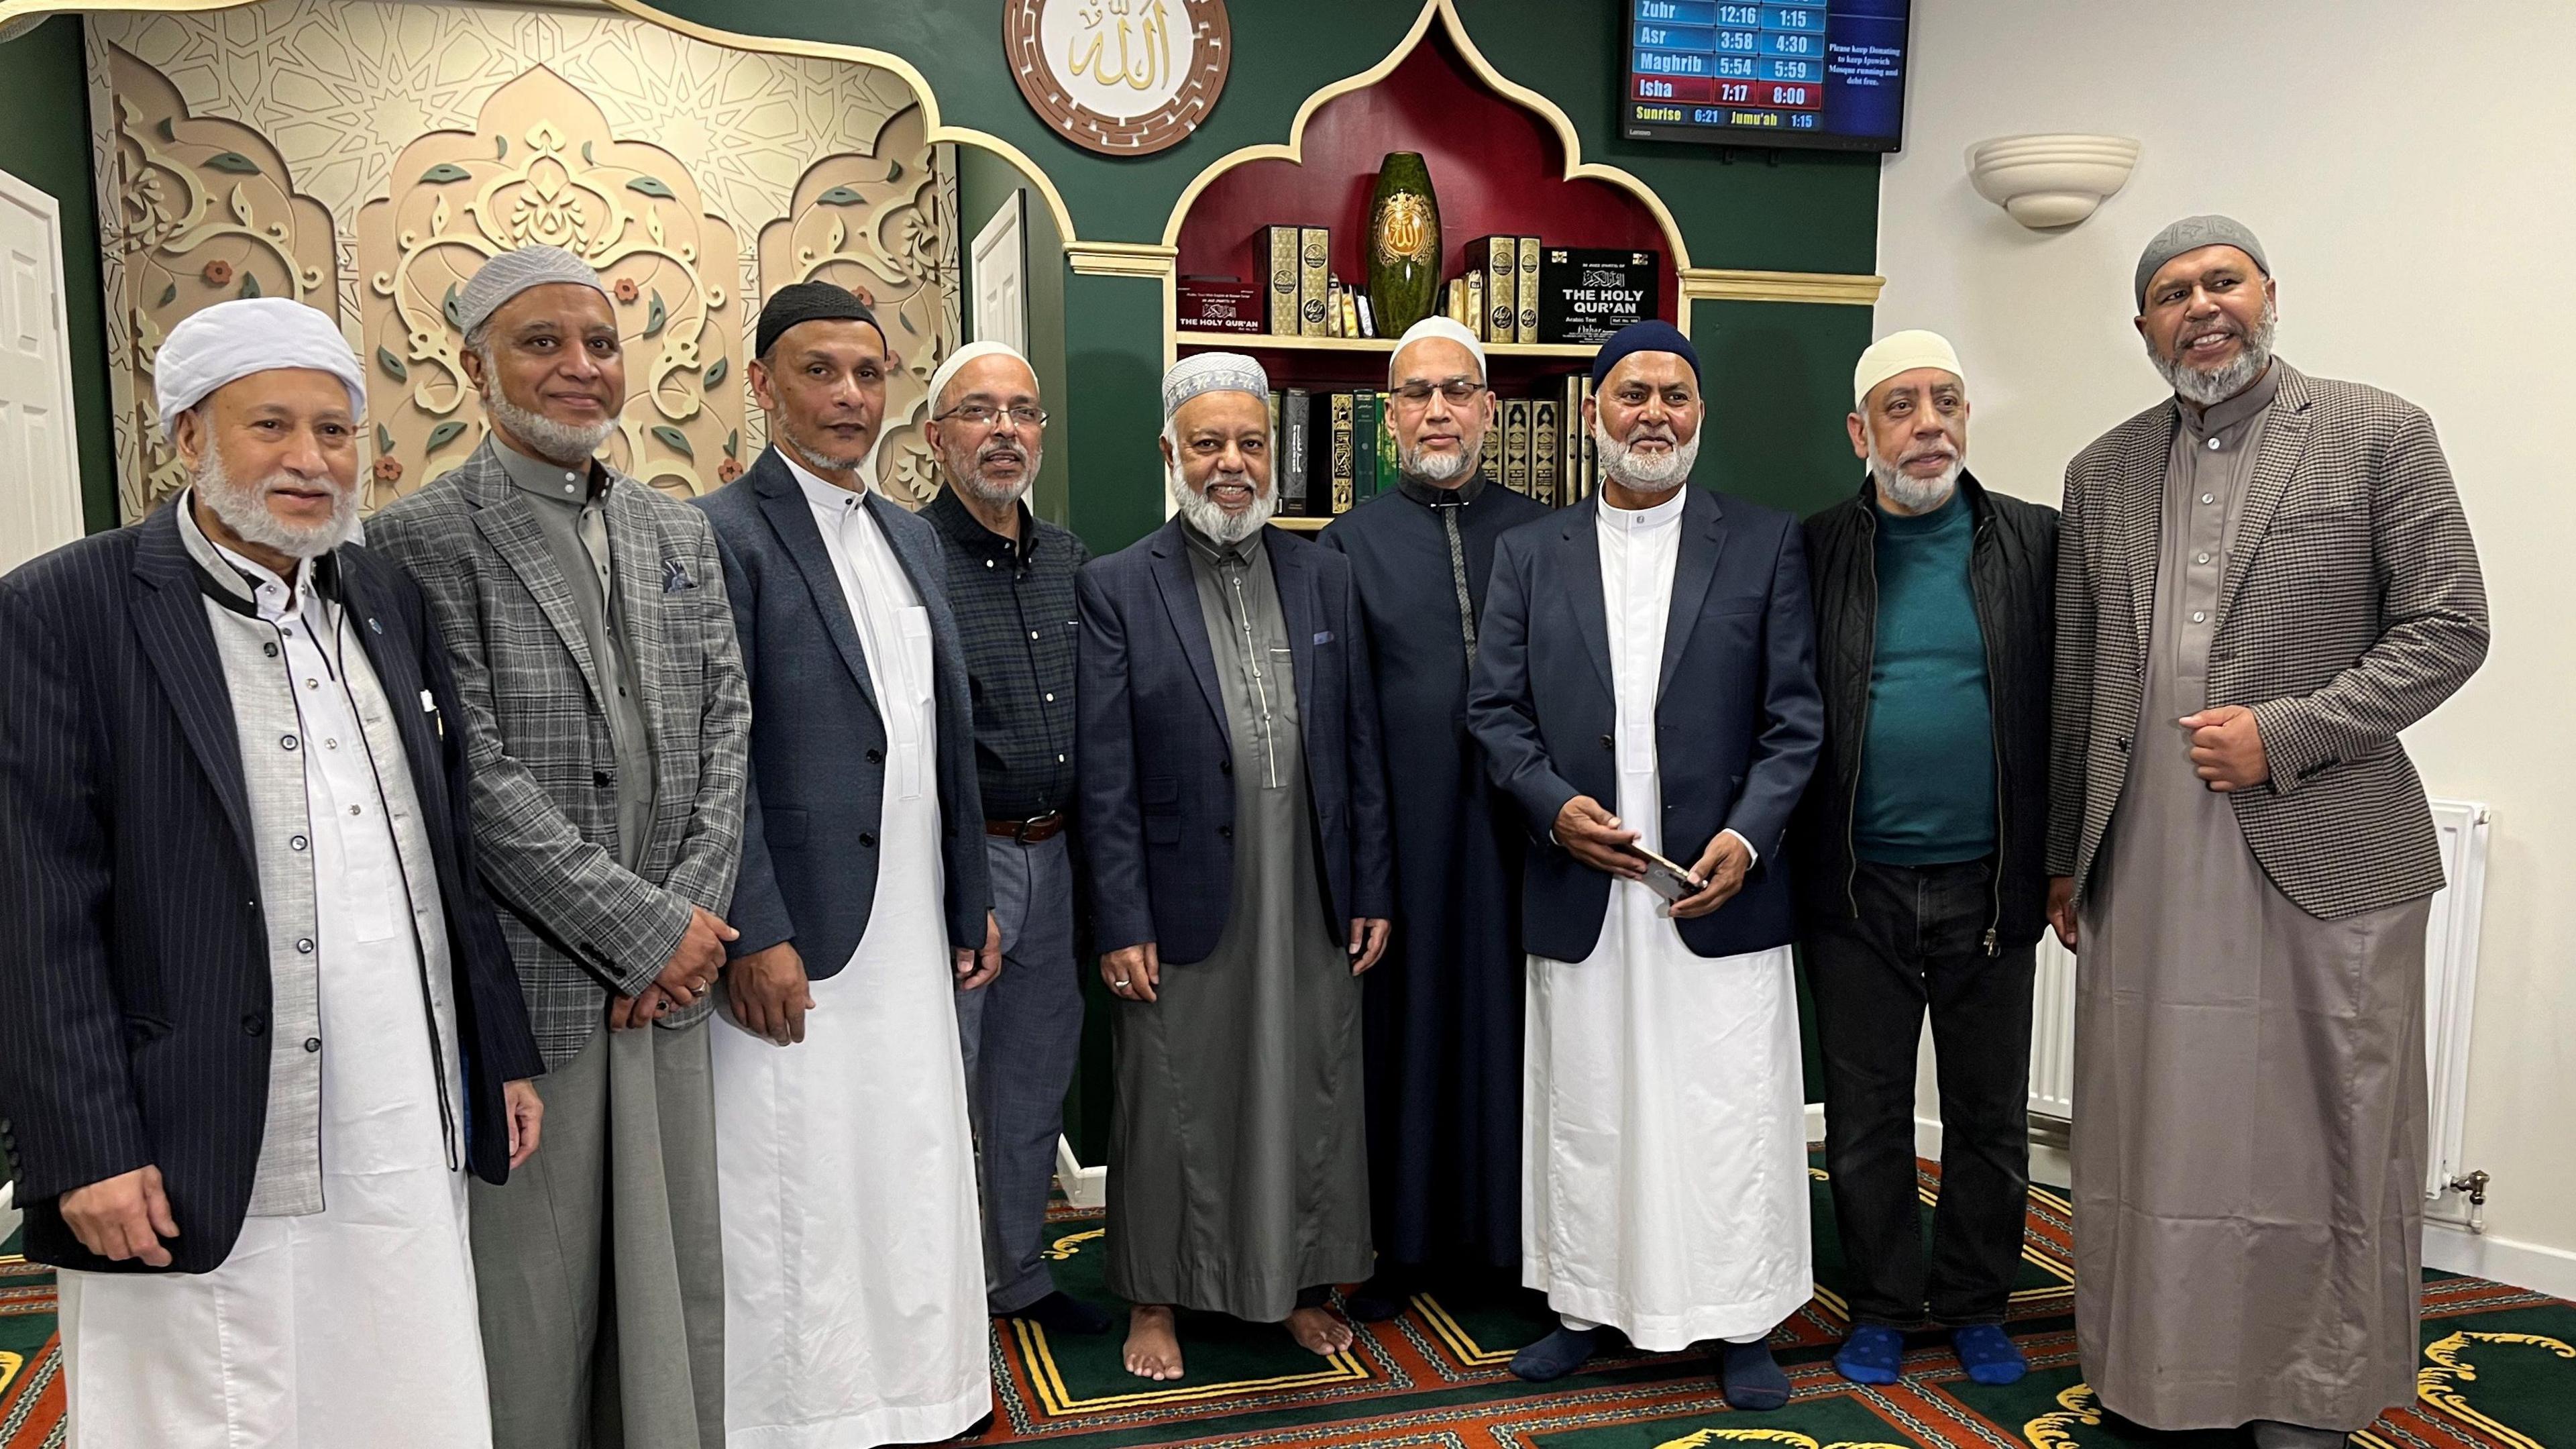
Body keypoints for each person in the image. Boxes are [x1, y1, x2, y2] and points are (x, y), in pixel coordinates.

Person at [0, 297, 545, 1446]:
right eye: (270, 428)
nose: (310, 461)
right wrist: (88, 1146)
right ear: (187, 438)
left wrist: (497, 1053)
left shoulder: (384, 599)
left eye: (336, 432)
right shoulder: (65, 609)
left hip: (399, 1109)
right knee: (212, 1400)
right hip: (194, 1125)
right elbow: (34, 906)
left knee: (399, 1380)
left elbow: (448, 854)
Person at [2050, 216, 2489, 1447]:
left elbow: (2450, 627)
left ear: (2269, 293)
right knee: (2152, 1132)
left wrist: (2287, 732)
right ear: (2142, 326)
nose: (2201, 305)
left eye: (2221, 281)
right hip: (2143, 856)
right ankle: (2156, 1381)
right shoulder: (2105, 469)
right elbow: (2081, 676)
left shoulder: (2375, 431)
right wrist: (2059, 858)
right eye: (2171, 291)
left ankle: (2314, 1391)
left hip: (2326, 850)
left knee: (2322, 1133)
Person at [369, 244, 753, 1449]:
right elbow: (469, 778)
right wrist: (648, 934)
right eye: (543, 344)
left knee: (675, 1283)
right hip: (546, 986)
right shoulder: (422, 538)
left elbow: (727, 723)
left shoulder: (673, 529)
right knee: (538, 1297)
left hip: (672, 989)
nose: (580, 369)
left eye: (599, 343)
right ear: (475, 368)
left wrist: (689, 924)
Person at [1466, 320, 1822, 1409]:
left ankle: (1742, 1313)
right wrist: (1552, 806)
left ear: (1700, 415)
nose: (1653, 413)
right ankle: (1583, 1304)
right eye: (1631, 394)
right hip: (1585, 886)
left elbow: (1795, 718)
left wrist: (1749, 837)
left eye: (1674, 394)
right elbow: (1495, 711)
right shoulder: (1530, 553)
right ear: (1593, 415)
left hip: (1716, 889)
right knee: (1588, 1103)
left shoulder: (1764, 543)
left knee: (1726, 1107)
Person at [694, 282, 1000, 1445]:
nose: (848, 396)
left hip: (911, 927)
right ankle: (804, 1415)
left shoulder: (909, 532)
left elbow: (937, 730)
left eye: (869, 375)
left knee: (914, 1159)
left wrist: (970, 898)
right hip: (801, 937)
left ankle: (925, 1392)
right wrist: (754, 929)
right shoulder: (721, 533)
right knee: (798, 1183)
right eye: (820, 372)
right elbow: (719, 757)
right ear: (763, 383)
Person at [1076, 352, 1393, 1381]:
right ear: (1171, 454)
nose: (1231, 465)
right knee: (1170, 1099)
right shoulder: (1118, 586)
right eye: (1208, 444)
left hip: (1309, 889)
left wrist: (1373, 886)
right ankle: (1157, 1299)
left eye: (1250, 444)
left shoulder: (1324, 573)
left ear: (1275, 456)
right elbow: (1108, 775)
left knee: (1310, 1086)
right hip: (1183, 898)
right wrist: (1119, 917)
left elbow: (1358, 749)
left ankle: (1300, 1287)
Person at [1794, 330, 2055, 1389]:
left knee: (1991, 1116)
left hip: (1991, 885)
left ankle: (1980, 1301)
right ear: (1861, 433)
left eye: (1945, 401)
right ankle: (1886, 1305)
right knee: (1865, 1117)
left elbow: (2077, 710)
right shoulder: (1811, 548)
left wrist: (2068, 861)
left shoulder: (2038, 543)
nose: (1929, 424)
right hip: (1854, 888)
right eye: (1901, 407)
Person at [1319, 316, 1546, 1316]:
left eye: (1459, 390)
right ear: (1391, 416)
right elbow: (1340, 727)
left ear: (1490, 407)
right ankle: (1400, 1248)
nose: (1440, 410)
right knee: (1402, 1039)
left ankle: (1516, 1246)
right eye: (1418, 394)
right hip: (1403, 840)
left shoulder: (1549, 536)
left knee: (1518, 1040)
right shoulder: (1343, 545)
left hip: (1525, 838)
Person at [918, 339, 1114, 1337]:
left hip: (1060, 854)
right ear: (935, 435)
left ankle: (1016, 1274)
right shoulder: (905, 557)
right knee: (940, 1084)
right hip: (961, 861)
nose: (1004, 431)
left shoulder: (1073, 562)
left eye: (1022, 412)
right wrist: (963, 881)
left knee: (1035, 1080)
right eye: (979, 412)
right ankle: (934, 1289)